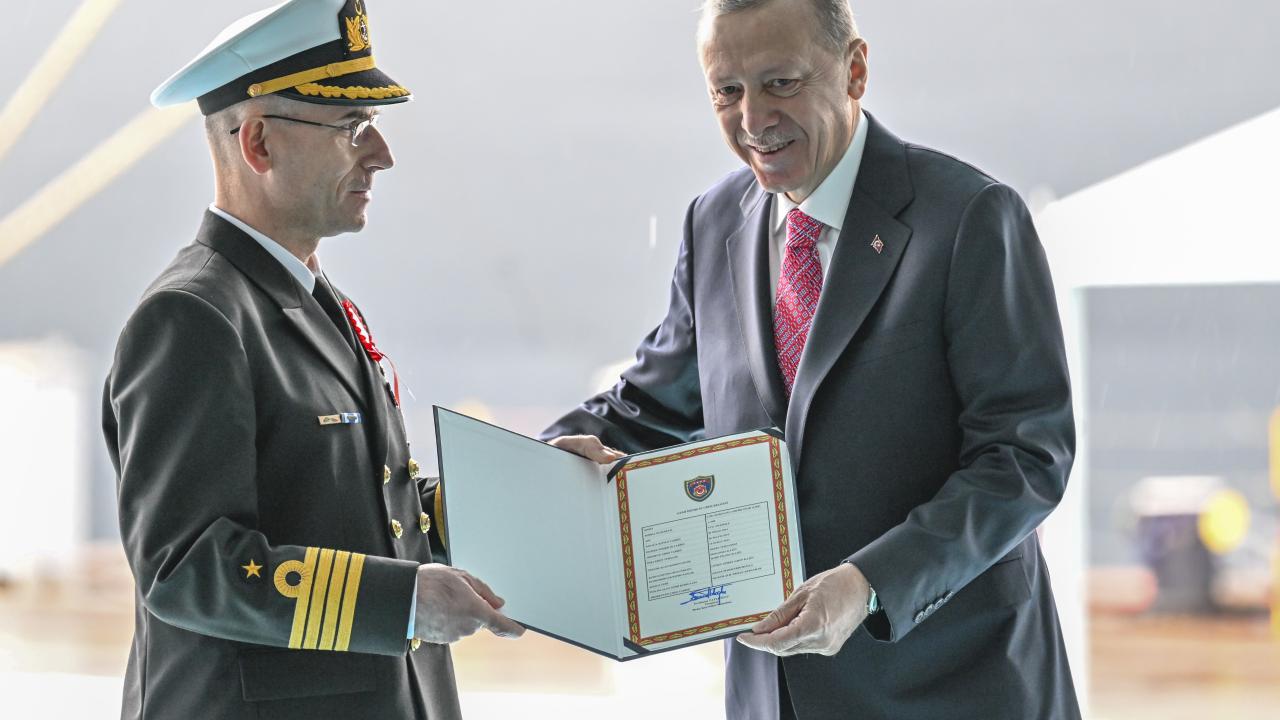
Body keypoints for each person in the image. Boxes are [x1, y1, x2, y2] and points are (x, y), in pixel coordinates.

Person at [544, 0, 1080, 717]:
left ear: (855, 70)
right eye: (727, 91)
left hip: (953, 688)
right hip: (774, 694)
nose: (753, 119)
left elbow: (1026, 457)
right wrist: (523, 472)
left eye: (781, 83)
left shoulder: (968, 218)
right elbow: (650, 405)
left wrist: (869, 583)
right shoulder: (713, 222)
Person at [102, 2, 522, 718]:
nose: (381, 153)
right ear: (259, 142)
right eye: (352, 126)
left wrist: (529, 490)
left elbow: (362, 509)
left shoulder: (313, 301)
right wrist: (400, 602)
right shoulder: (193, 318)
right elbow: (186, 564)